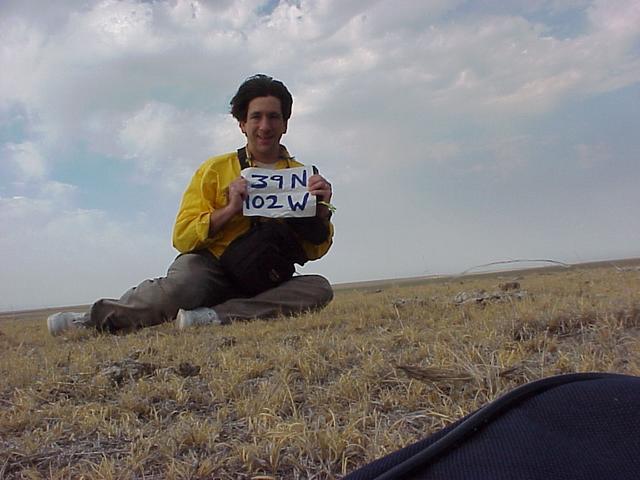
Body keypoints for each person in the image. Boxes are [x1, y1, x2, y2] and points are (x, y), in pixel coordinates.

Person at [47, 74, 334, 336]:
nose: (265, 126)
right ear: (242, 124)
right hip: (211, 269)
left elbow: (314, 250)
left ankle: (213, 317)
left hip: (264, 277)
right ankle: (90, 320)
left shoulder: (303, 176)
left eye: (274, 117)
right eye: (256, 117)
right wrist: (230, 209)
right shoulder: (215, 169)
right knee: (185, 286)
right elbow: (182, 237)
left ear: (285, 123)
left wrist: (320, 215)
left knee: (319, 288)